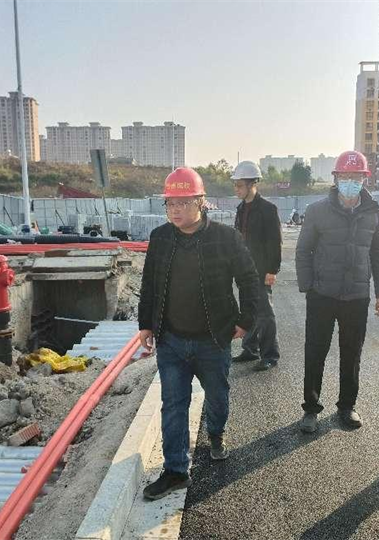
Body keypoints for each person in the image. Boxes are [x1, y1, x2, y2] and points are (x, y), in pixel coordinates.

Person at [138, 167, 261, 500]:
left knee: (217, 396)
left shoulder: (225, 238)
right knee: (173, 404)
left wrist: (245, 320)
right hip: (172, 340)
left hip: (213, 339)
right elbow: (149, 284)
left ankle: (217, 433)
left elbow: (249, 280)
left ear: (201, 201)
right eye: (170, 203)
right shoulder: (161, 238)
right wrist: (145, 324)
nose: (175, 210)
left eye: (183, 202)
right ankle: (176, 471)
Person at [295, 150, 379, 432]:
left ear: (364, 179)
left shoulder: (374, 212)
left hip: (357, 296)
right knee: (316, 352)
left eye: (356, 177)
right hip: (322, 295)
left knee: (351, 354)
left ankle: (347, 407)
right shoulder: (317, 211)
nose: (350, 182)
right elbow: (303, 251)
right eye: (345, 176)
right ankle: (311, 408)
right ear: (336, 178)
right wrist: (308, 286)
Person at [232, 160, 283, 371]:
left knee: (265, 314)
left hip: (261, 270)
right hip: (244, 270)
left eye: (239, 185)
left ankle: (270, 354)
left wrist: (272, 270)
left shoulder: (267, 209)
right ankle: (250, 349)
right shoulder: (241, 209)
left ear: (253, 184)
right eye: (235, 185)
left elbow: (275, 242)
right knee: (249, 310)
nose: (236, 189)